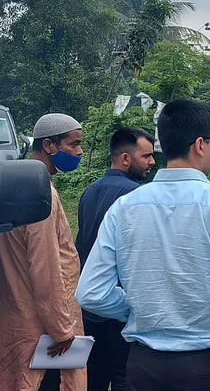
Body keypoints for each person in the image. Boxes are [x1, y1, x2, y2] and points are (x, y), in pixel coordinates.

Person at [76, 99, 210, 391]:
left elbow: (91, 293)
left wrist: (136, 309)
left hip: (144, 364)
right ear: (200, 144)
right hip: (209, 364)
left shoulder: (125, 207)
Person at [0, 113, 86, 391]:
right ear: (49, 145)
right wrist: (63, 330)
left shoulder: (13, 185)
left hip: (16, 315)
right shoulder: (40, 193)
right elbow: (46, 268)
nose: (79, 152)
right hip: (44, 331)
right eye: (74, 144)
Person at [75, 128, 155, 391]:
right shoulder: (136, 197)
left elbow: (81, 246)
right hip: (121, 307)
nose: (152, 163)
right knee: (124, 377)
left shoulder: (89, 192)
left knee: (93, 377)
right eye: (146, 156)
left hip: (91, 306)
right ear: (125, 158)